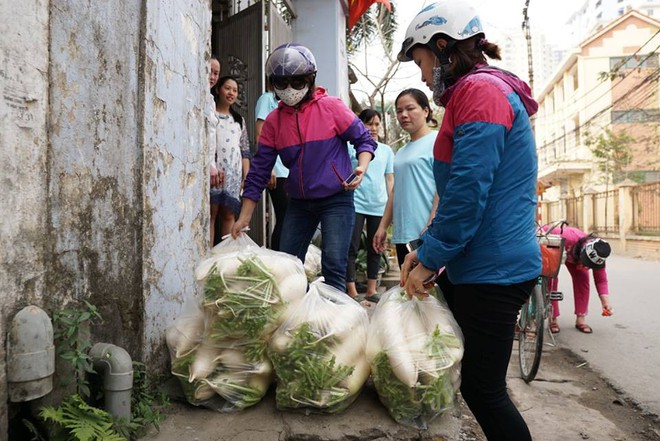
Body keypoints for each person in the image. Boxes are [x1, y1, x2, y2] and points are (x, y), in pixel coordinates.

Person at [397, 2, 541, 440]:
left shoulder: (481, 92)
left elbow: (468, 191)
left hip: (495, 270)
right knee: (472, 380)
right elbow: (456, 192)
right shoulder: (475, 93)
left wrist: (431, 256)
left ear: (442, 47)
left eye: (422, 62)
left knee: (484, 389)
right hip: (476, 263)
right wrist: (426, 247)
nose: (423, 76)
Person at [231, 43, 377, 292]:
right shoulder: (274, 121)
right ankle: (296, 319)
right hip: (299, 202)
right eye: (282, 83)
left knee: (333, 263)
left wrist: (362, 166)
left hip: (336, 198)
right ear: (273, 84)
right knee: (287, 263)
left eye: (297, 82)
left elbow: (363, 139)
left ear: (310, 80)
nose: (289, 89)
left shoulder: (332, 107)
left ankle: (335, 322)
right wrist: (243, 217)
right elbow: (259, 171)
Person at [372, 89, 439, 268]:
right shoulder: (401, 152)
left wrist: (432, 223)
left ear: (426, 111)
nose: (404, 115)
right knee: (408, 294)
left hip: (426, 233)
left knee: (433, 292)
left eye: (410, 108)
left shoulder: (438, 141)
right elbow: (395, 191)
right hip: (403, 234)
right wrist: (382, 226)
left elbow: (444, 186)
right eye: (399, 111)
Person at [346, 109, 394, 302]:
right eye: (369, 123)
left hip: (379, 205)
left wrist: (392, 207)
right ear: (360, 124)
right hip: (355, 203)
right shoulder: (351, 148)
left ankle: (372, 290)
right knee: (352, 247)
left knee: (377, 248)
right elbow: (347, 173)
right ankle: (351, 290)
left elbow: (390, 179)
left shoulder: (386, 150)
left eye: (376, 124)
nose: (373, 128)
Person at [545, 224, 613, 334]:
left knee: (583, 279)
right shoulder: (566, 235)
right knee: (551, 279)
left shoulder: (599, 254)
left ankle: (581, 318)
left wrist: (606, 303)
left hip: (576, 260)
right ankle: (553, 318)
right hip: (560, 248)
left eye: (590, 266)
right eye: (586, 263)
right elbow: (543, 230)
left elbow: (601, 280)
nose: (587, 267)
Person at [212, 76, 251, 243]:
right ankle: (208, 258)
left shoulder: (239, 120)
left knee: (228, 215)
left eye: (235, 90)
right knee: (211, 214)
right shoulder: (210, 115)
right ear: (218, 89)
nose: (231, 93)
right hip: (214, 171)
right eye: (227, 88)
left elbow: (245, 150)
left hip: (233, 174)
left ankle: (225, 257)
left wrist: (246, 176)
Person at [255, 86, 289, 251]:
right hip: (277, 170)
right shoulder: (268, 99)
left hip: (291, 169)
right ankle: (279, 259)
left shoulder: (289, 104)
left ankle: (288, 263)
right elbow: (260, 134)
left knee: (290, 218)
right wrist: (268, 167)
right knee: (284, 216)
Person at [207, 55, 221, 246]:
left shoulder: (210, 100)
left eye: (216, 73)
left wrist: (213, 165)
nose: (212, 76)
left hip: (210, 166)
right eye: (209, 71)